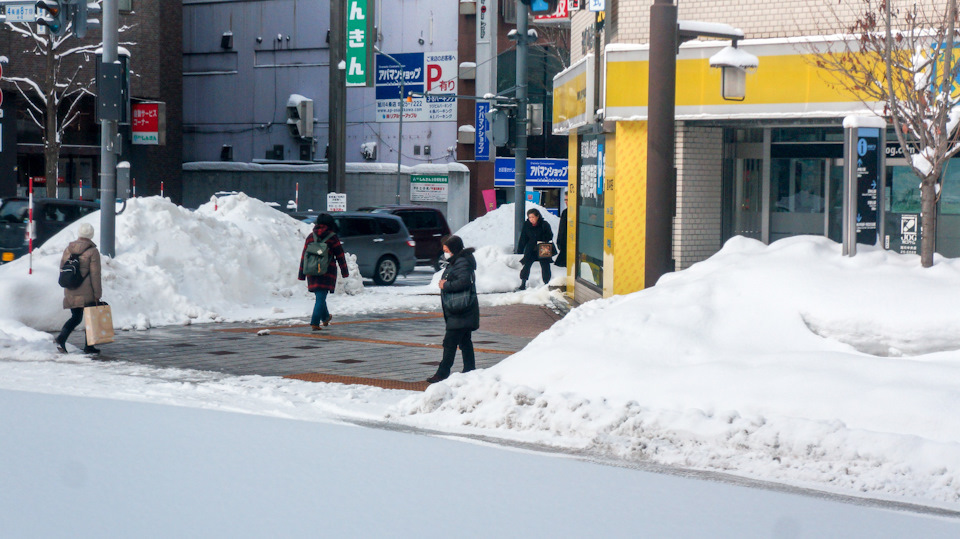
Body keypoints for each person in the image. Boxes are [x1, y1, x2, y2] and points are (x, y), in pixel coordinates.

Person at [427, 235, 479, 383]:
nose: (445, 253)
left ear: (453, 249)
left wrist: (445, 285)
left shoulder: (461, 262)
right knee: (464, 342)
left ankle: (442, 373)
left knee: (450, 342)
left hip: (460, 309)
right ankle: (470, 370)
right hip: (461, 309)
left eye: (446, 250)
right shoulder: (458, 261)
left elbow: (463, 282)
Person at [55, 222, 103, 355]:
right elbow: (95, 274)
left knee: (76, 317)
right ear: (91, 235)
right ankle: (89, 346)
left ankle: (61, 338)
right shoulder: (92, 251)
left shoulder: (68, 249)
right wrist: (97, 293)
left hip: (70, 287)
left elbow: (62, 268)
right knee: (90, 318)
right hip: (87, 290)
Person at [298, 213, 349, 331]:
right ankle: (315, 322)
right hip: (326, 271)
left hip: (311, 270)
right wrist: (344, 271)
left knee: (320, 295)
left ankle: (325, 317)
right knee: (321, 297)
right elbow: (340, 255)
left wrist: (301, 274)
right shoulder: (332, 237)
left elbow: (304, 256)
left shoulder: (310, 237)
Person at [516, 208, 553, 290]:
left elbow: (550, 235)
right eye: (529, 217)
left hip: (543, 247)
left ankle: (547, 283)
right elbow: (523, 237)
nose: (531, 219)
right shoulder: (527, 225)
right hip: (531, 248)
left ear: (537, 216)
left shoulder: (544, 224)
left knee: (545, 266)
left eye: (533, 217)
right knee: (527, 264)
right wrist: (520, 249)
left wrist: (541, 238)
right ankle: (523, 283)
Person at [555, 192, 568, 268]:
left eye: (568, 200)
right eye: (565, 200)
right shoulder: (565, 212)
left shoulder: (580, 212)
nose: (566, 202)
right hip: (564, 244)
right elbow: (561, 229)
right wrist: (559, 241)